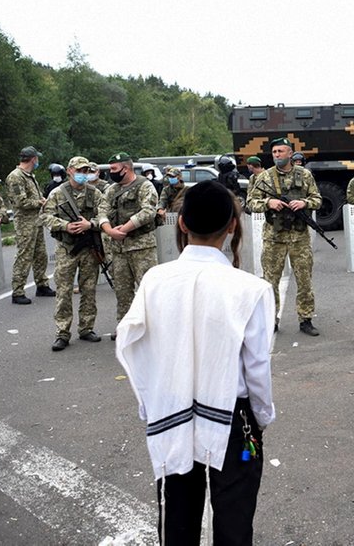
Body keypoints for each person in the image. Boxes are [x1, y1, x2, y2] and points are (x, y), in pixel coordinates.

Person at [115, 180, 275, 546]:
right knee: (234, 523)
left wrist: (149, 404)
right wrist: (262, 417)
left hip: (170, 411)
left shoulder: (154, 279)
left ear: (182, 223)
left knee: (177, 522)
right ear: (233, 225)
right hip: (234, 419)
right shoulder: (251, 288)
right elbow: (257, 369)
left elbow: (132, 346)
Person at [245, 137, 322, 336]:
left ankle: (305, 319)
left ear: (290, 153)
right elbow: (251, 203)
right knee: (271, 281)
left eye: (281, 151)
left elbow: (318, 199)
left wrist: (304, 203)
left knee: (304, 280)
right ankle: (272, 320)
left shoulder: (304, 175)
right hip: (274, 237)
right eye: (274, 152)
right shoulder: (264, 177)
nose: (277, 155)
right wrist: (268, 203)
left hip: (299, 237)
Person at [41, 156, 111, 351]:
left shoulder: (95, 193)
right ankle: (62, 333)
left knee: (89, 289)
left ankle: (86, 328)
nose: (83, 174)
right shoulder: (57, 193)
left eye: (86, 171)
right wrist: (66, 226)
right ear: (70, 171)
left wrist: (91, 224)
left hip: (89, 248)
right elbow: (45, 216)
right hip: (67, 248)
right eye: (79, 170)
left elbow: (105, 215)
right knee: (63, 291)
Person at [103, 152, 159, 340]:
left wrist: (124, 229)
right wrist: (110, 230)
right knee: (122, 290)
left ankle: (152, 329)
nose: (111, 172)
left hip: (142, 247)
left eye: (114, 169)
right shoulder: (111, 190)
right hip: (118, 250)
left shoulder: (145, 186)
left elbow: (148, 211)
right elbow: (102, 211)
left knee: (147, 290)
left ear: (125, 168)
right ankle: (124, 326)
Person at [5, 146, 55, 304]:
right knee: (24, 256)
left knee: (40, 255)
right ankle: (18, 291)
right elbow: (20, 202)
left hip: (36, 220)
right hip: (25, 222)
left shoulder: (28, 176)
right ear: (33, 159)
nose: (38, 161)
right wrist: (39, 202)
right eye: (37, 158)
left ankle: (42, 284)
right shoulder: (16, 176)